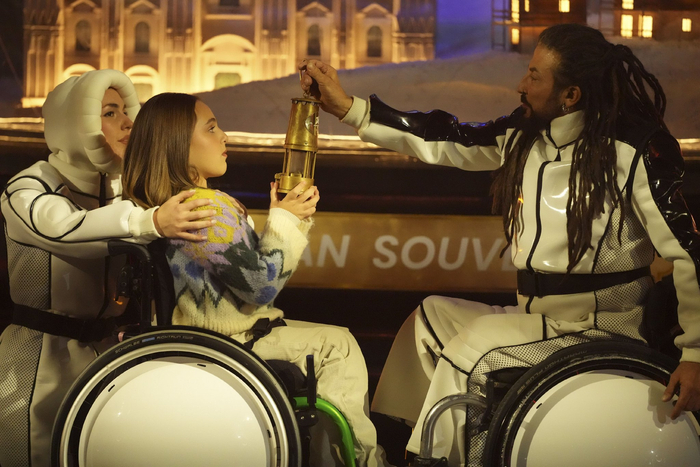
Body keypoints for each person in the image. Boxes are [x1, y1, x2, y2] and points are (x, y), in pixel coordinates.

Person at [299, 23, 700, 466]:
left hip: (602, 326)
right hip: (540, 319)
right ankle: (398, 447)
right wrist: (350, 109)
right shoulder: (525, 134)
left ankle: (436, 461)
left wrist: (696, 354)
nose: (521, 85)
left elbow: (686, 252)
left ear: (570, 95)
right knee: (429, 319)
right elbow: (444, 138)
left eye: (535, 76)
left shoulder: (634, 148)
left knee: (473, 348)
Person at [120, 92, 391, 467]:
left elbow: (251, 274)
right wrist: (285, 221)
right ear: (178, 143)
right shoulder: (204, 208)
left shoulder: (176, 204)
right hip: (225, 343)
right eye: (211, 129)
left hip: (218, 338)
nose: (224, 136)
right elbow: (260, 285)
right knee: (338, 344)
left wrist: (287, 218)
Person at [0, 70, 216, 467]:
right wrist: (150, 222)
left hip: (108, 354)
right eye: (110, 113)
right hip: (38, 359)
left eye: (126, 111)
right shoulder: (29, 186)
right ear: (74, 122)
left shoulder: (122, 190)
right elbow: (60, 228)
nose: (128, 123)